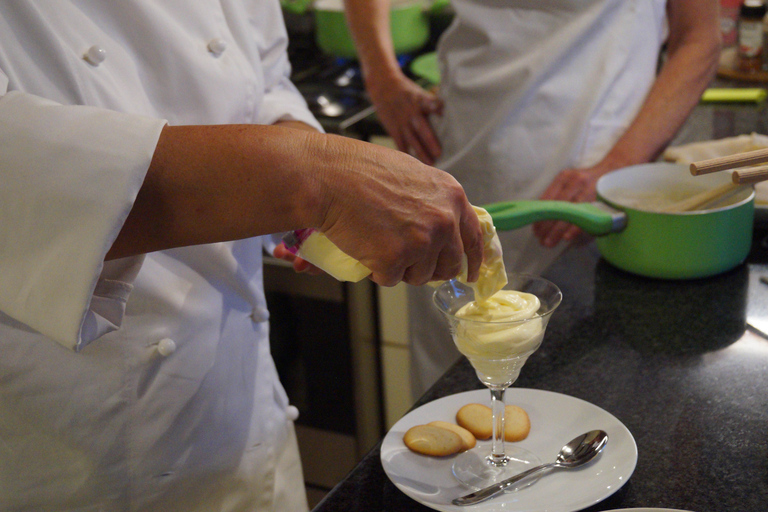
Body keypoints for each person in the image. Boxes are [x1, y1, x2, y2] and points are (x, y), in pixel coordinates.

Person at [0, 2, 484, 511]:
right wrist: (312, 181)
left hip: (242, 406)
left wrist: (302, 168)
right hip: (75, 441)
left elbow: (265, 80)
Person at [345, 0, 721, 397]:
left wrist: (618, 164)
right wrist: (381, 76)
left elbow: (698, 39)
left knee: (584, 400)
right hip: (461, 152)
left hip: (592, 184)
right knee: (455, 405)